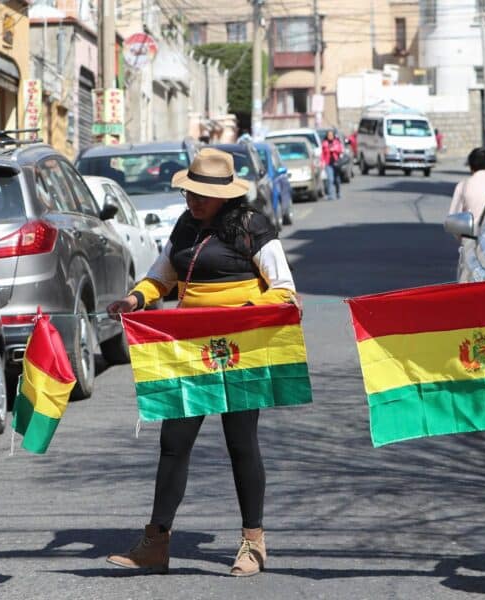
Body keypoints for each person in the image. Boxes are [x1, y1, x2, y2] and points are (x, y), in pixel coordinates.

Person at [105, 148, 298, 577]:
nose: (193, 200)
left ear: (225, 197)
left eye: (202, 194)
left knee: (240, 443)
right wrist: (134, 299)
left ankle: (253, 542)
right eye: (189, 191)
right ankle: (155, 543)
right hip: (189, 349)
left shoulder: (253, 227)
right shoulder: (185, 226)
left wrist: (240, 312)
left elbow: (284, 290)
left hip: (240, 348)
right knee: (174, 444)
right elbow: (161, 277)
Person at [448, 147, 485, 233]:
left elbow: (453, 220)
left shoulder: (463, 186)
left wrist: (465, 238)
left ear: (470, 166)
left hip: (471, 239)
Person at [321, 129, 344, 200]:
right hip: (328, 163)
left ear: (333, 136)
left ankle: (338, 192)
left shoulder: (337, 142)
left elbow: (340, 150)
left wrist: (334, 149)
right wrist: (322, 162)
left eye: (331, 135)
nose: (330, 136)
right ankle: (330, 195)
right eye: (328, 135)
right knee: (330, 179)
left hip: (336, 163)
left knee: (336, 179)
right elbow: (322, 154)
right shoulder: (324, 143)